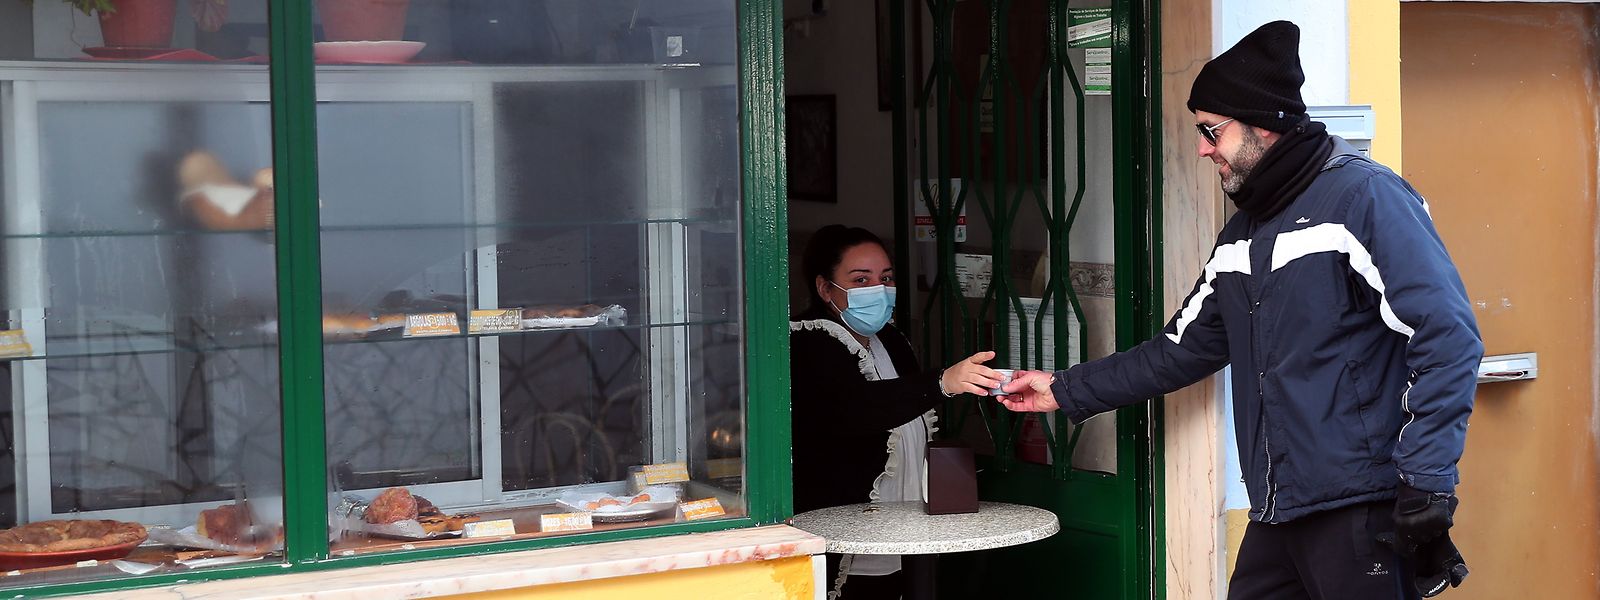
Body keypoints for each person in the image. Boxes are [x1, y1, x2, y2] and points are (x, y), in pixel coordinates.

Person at [998, 21, 1481, 600]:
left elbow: (1447, 335)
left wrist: (1427, 476)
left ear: (1264, 124)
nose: (1202, 148)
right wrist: (1063, 388)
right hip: (1278, 509)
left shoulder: (1364, 198)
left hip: (1360, 507)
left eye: (1212, 130)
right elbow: (1179, 349)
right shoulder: (1242, 234)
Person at [790, 224, 1001, 599]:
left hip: (903, 532)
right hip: (844, 531)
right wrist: (942, 382)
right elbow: (855, 409)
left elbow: (908, 405)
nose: (879, 289)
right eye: (861, 280)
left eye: (885, 278)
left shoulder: (889, 338)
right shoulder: (808, 340)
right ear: (825, 288)